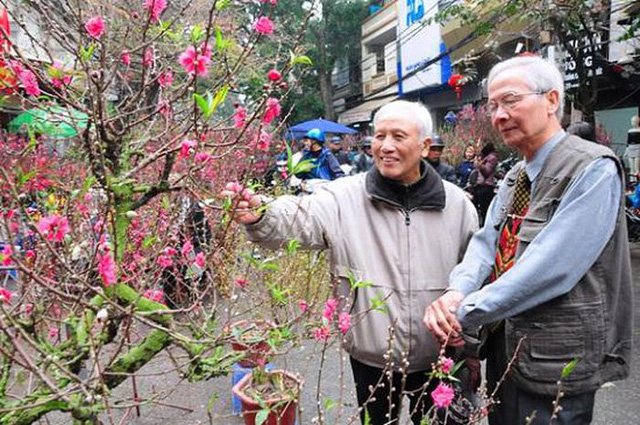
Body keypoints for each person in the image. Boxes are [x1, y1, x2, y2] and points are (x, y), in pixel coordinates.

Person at [222, 100, 478, 425]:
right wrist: (261, 213)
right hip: (371, 357)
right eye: (379, 136)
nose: (385, 146)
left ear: (425, 145)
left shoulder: (457, 206)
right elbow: (299, 217)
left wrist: (470, 349)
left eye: (398, 136)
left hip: (439, 358)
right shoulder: (343, 198)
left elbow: (474, 277)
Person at [424, 55, 632, 425]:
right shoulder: (515, 175)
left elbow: (554, 267)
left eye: (511, 100)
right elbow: (487, 243)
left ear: (552, 100)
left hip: (558, 355)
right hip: (507, 344)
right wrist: (458, 290)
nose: (499, 115)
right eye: (492, 106)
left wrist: (464, 311)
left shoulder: (593, 168)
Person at [471, 142, 498, 226]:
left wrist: (479, 164)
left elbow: (486, 172)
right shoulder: (484, 157)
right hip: (479, 186)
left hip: (486, 187)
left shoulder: (492, 158)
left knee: (484, 211)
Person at [626, 116, 640, 180]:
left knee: (636, 168)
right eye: (632, 121)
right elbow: (628, 141)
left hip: (638, 148)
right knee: (631, 167)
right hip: (630, 148)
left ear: (638, 122)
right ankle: (632, 181)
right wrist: (626, 151)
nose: (632, 123)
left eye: (634, 121)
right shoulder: (630, 131)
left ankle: (637, 182)